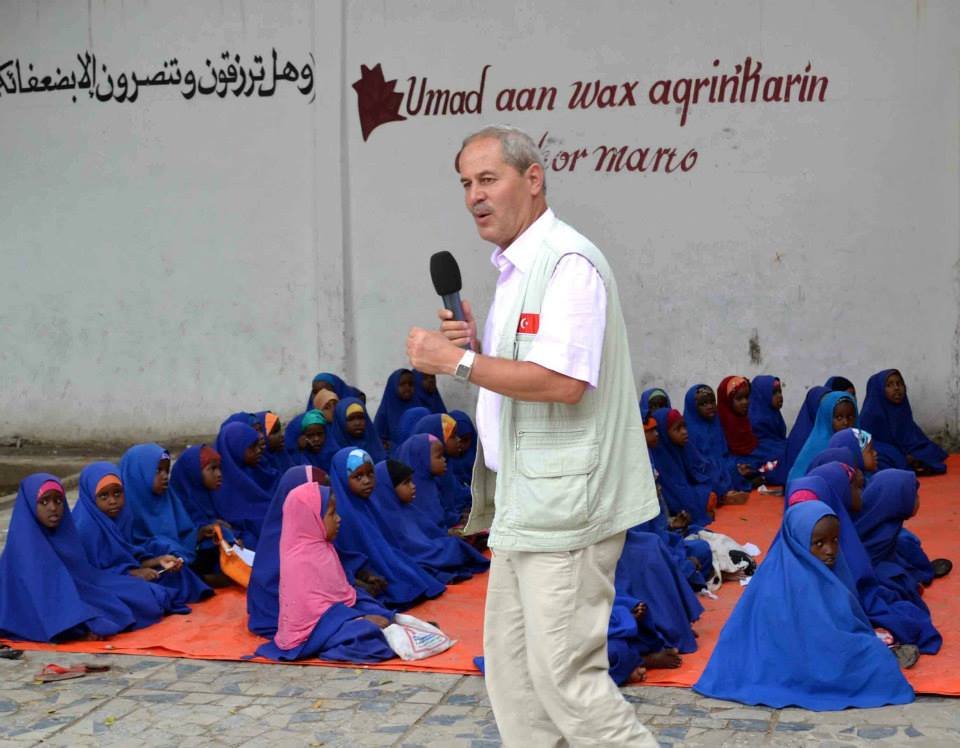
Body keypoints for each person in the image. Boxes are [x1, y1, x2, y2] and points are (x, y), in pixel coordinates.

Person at [406, 125, 659, 746]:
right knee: (515, 680)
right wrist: (478, 347)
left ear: (533, 179)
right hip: (525, 499)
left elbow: (563, 383)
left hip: (566, 506)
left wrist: (457, 362)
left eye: (488, 179)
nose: (474, 196)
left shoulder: (567, 264)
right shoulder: (517, 269)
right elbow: (528, 371)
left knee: (566, 680)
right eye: (466, 183)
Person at [694, 500, 914, 710]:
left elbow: (843, 620)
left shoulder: (832, 571)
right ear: (797, 540)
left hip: (816, 650)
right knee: (877, 660)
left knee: (875, 654)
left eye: (835, 540)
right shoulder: (782, 581)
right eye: (819, 543)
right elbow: (815, 636)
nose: (830, 550)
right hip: (789, 661)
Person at [0, 474, 177, 642]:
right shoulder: (26, 545)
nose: (53, 508)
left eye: (58, 501)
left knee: (138, 594)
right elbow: (42, 596)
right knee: (110, 612)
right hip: (45, 606)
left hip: (78, 589)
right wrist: (78, 626)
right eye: (44, 502)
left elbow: (84, 576)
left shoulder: (64, 534)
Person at [254, 482, 396, 663]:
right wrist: (358, 619)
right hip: (313, 629)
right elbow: (315, 613)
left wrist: (362, 611)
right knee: (365, 636)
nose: (338, 519)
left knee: (379, 612)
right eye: (331, 514)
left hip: (336, 615)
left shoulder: (322, 548)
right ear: (311, 518)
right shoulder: (301, 558)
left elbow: (339, 595)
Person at [73, 462, 211, 607]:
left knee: (173, 574)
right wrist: (134, 573)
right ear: (90, 497)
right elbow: (90, 574)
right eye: (103, 496)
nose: (112, 501)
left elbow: (126, 556)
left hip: (124, 575)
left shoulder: (122, 517)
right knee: (142, 593)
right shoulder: (85, 527)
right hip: (102, 582)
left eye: (117, 493)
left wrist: (159, 561)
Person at [328, 447, 446, 608]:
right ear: (342, 478)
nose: (366, 481)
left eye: (370, 474)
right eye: (358, 476)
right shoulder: (340, 514)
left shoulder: (367, 505)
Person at [368, 459, 489, 582]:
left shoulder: (407, 508)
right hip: (416, 556)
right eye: (406, 483)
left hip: (425, 550)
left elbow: (429, 534)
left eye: (411, 481)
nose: (413, 486)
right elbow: (408, 548)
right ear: (389, 488)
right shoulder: (384, 515)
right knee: (450, 549)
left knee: (453, 544)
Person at [859, 369, 947, 474]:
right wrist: (897, 454)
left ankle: (908, 463)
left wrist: (911, 455)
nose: (896, 388)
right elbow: (866, 445)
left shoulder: (902, 410)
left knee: (930, 450)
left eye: (899, 383)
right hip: (884, 453)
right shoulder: (870, 413)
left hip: (906, 452)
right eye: (889, 385)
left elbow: (916, 440)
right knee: (880, 459)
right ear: (878, 391)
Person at [787, 391, 858, 483]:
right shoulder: (817, 447)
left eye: (850, 417)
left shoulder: (859, 444)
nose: (846, 422)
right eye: (839, 418)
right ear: (827, 418)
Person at [747, 375, 788, 485]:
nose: (779, 396)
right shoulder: (755, 417)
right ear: (762, 395)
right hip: (760, 451)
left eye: (780, 392)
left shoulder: (774, 413)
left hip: (775, 447)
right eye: (774, 393)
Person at [373, 368, 418, 452]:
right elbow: (379, 442)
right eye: (402, 384)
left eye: (411, 384)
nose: (407, 387)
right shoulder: (384, 413)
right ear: (392, 387)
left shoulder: (419, 407)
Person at [329, 397, 386, 462]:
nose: (357, 423)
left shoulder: (375, 445)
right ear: (341, 421)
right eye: (351, 419)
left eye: (361, 417)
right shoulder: (333, 451)